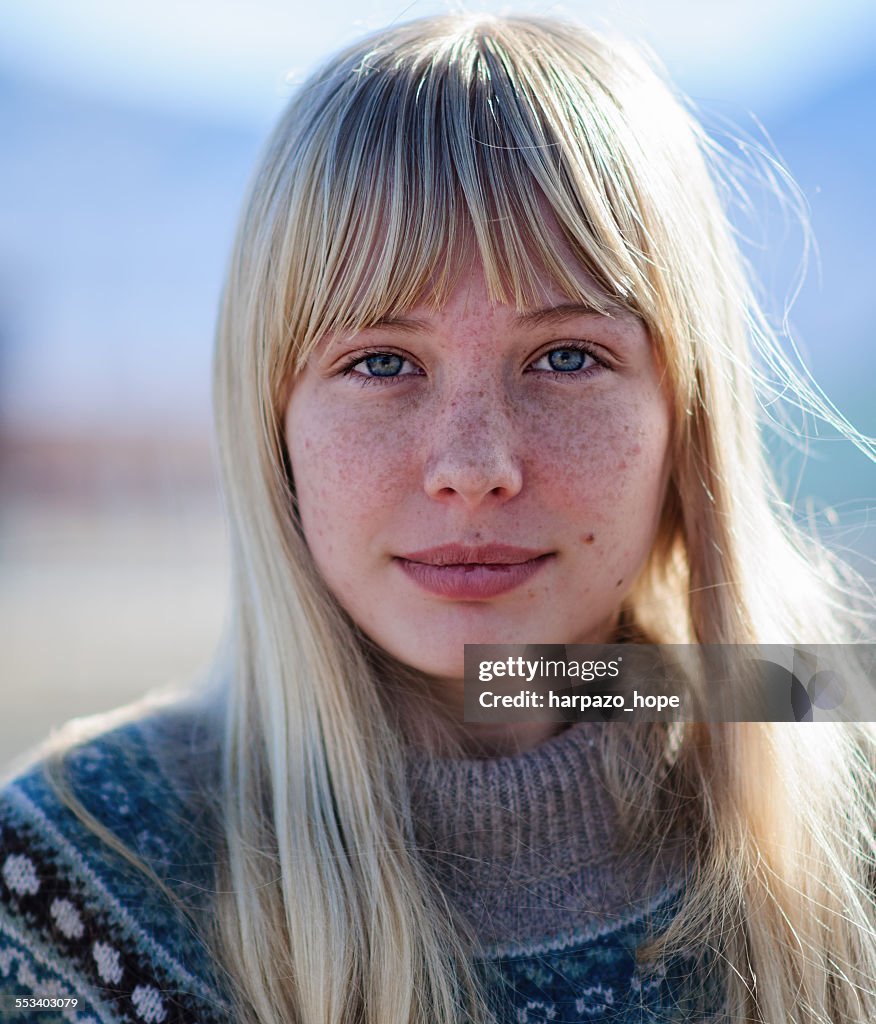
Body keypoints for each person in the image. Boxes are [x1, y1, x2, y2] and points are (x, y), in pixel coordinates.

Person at [2, 13, 875, 1024]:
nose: (474, 467)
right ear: (271, 420)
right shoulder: (70, 885)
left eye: (566, 357)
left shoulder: (843, 798)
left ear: (688, 412)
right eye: (381, 363)